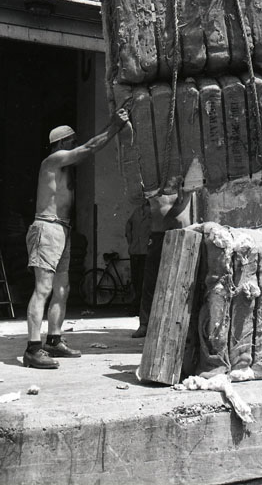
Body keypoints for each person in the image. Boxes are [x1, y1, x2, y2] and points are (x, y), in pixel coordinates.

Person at [24, 109, 129, 369]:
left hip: (62, 229)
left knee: (63, 289)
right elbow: (89, 148)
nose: (75, 145)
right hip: (47, 227)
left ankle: (54, 340)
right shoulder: (53, 159)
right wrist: (114, 126)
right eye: (72, 141)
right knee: (43, 289)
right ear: (61, 143)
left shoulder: (63, 167)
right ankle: (32, 349)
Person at [132, 190, 194, 338]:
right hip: (158, 234)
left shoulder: (186, 181)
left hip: (182, 234)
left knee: (183, 280)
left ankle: (183, 325)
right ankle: (145, 324)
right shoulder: (153, 184)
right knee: (150, 281)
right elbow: (134, 198)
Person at [125, 200, 151, 316]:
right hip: (135, 251)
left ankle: (139, 308)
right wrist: (130, 241)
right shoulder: (137, 211)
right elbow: (128, 225)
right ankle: (137, 306)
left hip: (146, 252)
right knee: (136, 280)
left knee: (144, 280)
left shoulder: (154, 212)